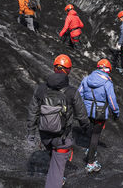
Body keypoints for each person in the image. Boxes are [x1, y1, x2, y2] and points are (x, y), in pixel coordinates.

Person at [27, 54, 90, 188]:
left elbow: (33, 112)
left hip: (45, 135)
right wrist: (86, 128)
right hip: (62, 138)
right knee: (57, 170)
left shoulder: (41, 89)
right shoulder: (72, 92)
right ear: (68, 70)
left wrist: (31, 134)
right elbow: (81, 114)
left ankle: (54, 177)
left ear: (54, 68)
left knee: (53, 160)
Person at [78, 59, 120, 173]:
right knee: (96, 135)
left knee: (91, 131)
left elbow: (79, 94)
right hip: (100, 112)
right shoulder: (107, 82)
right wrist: (116, 112)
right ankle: (90, 162)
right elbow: (111, 99)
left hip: (87, 110)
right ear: (107, 70)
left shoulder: (86, 79)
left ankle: (90, 150)